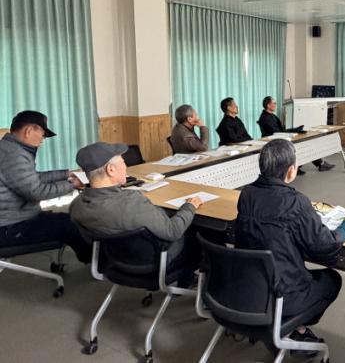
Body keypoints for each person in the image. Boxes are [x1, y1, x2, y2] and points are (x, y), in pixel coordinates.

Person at [235, 139, 345, 346]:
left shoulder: (246, 194)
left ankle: (294, 327)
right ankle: (294, 326)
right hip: (283, 295)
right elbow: (325, 246)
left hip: (248, 288)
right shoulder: (295, 202)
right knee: (331, 279)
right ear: (291, 170)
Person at [70, 142, 203, 283]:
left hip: (116, 262)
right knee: (201, 233)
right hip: (156, 263)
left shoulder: (76, 206)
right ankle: (192, 283)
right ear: (111, 170)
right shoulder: (132, 203)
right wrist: (189, 206)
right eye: (123, 162)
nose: (126, 167)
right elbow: (173, 231)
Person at [0, 110, 90, 263]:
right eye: (42, 134)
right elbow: (36, 192)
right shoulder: (14, 155)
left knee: (67, 219)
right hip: (10, 227)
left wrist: (67, 174)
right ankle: (99, 264)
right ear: (29, 131)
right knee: (70, 225)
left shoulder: (9, 148)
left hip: (13, 220)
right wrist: (73, 184)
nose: (42, 139)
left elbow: (32, 179)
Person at [258, 96, 334, 173]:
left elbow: (281, 131)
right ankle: (319, 164)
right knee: (304, 146)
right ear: (268, 105)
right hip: (275, 142)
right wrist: (293, 131)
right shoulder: (265, 118)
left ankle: (304, 166)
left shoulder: (271, 116)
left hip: (279, 139)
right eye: (274, 103)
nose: (275, 105)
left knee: (305, 144)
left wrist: (295, 129)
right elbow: (276, 133)